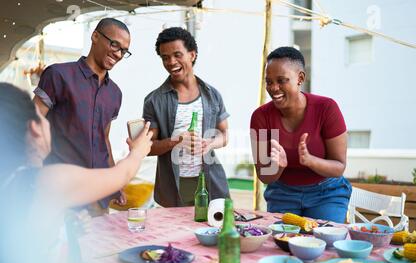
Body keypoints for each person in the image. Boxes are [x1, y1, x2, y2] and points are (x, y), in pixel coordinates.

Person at [0, 83, 152, 263]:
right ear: (34, 129)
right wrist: (139, 150)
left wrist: (64, 225)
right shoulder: (44, 183)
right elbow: (122, 175)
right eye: (44, 118)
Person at [32, 18, 132, 216]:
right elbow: (32, 126)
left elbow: (104, 140)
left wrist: (114, 182)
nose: (118, 54)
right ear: (95, 36)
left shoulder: (115, 93)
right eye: (114, 44)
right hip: (62, 194)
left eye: (124, 50)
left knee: (103, 247)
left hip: (99, 195)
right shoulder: (58, 75)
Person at [250, 47, 352, 223]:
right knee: (282, 243)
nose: (273, 88)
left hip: (326, 193)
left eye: (281, 80)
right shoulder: (261, 117)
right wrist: (278, 166)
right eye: (269, 81)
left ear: (300, 78)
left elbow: (339, 167)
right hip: (282, 194)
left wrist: (310, 160)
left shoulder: (326, 109)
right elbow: (263, 175)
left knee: (325, 242)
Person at [143, 27, 230, 207]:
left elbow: (224, 135)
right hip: (173, 186)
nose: (171, 62)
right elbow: (148, 147)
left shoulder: (212, 95)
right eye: (165, 57)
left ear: (192, 54)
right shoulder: (154, 100)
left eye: (177, 55)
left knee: (214, 233)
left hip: (211, 182)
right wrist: (176, 141)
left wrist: (209, 143)